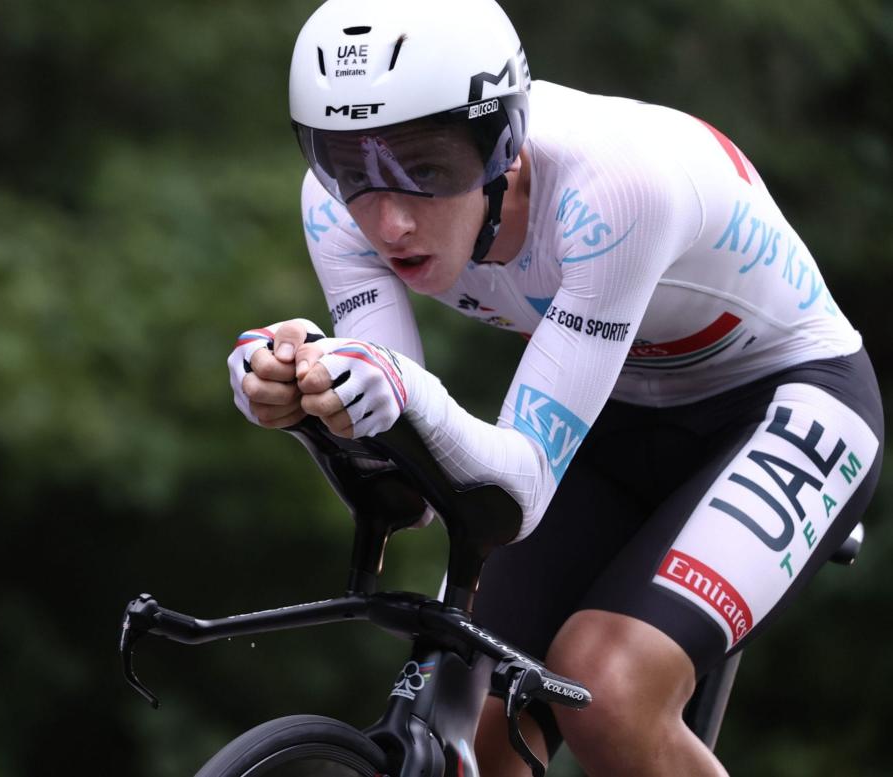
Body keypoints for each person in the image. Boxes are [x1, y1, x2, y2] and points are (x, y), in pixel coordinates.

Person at [226, 0, 884, 774]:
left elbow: (519, 481)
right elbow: (409, 486)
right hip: (614, 404)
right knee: (469, 729)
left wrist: (396, 388)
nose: (391, 220)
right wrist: (309, 397)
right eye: (350, 169)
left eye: (427, 168)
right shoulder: (333, 208)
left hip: (783, 397)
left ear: (502, 143)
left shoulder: (615, 191)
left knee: (607, 688)